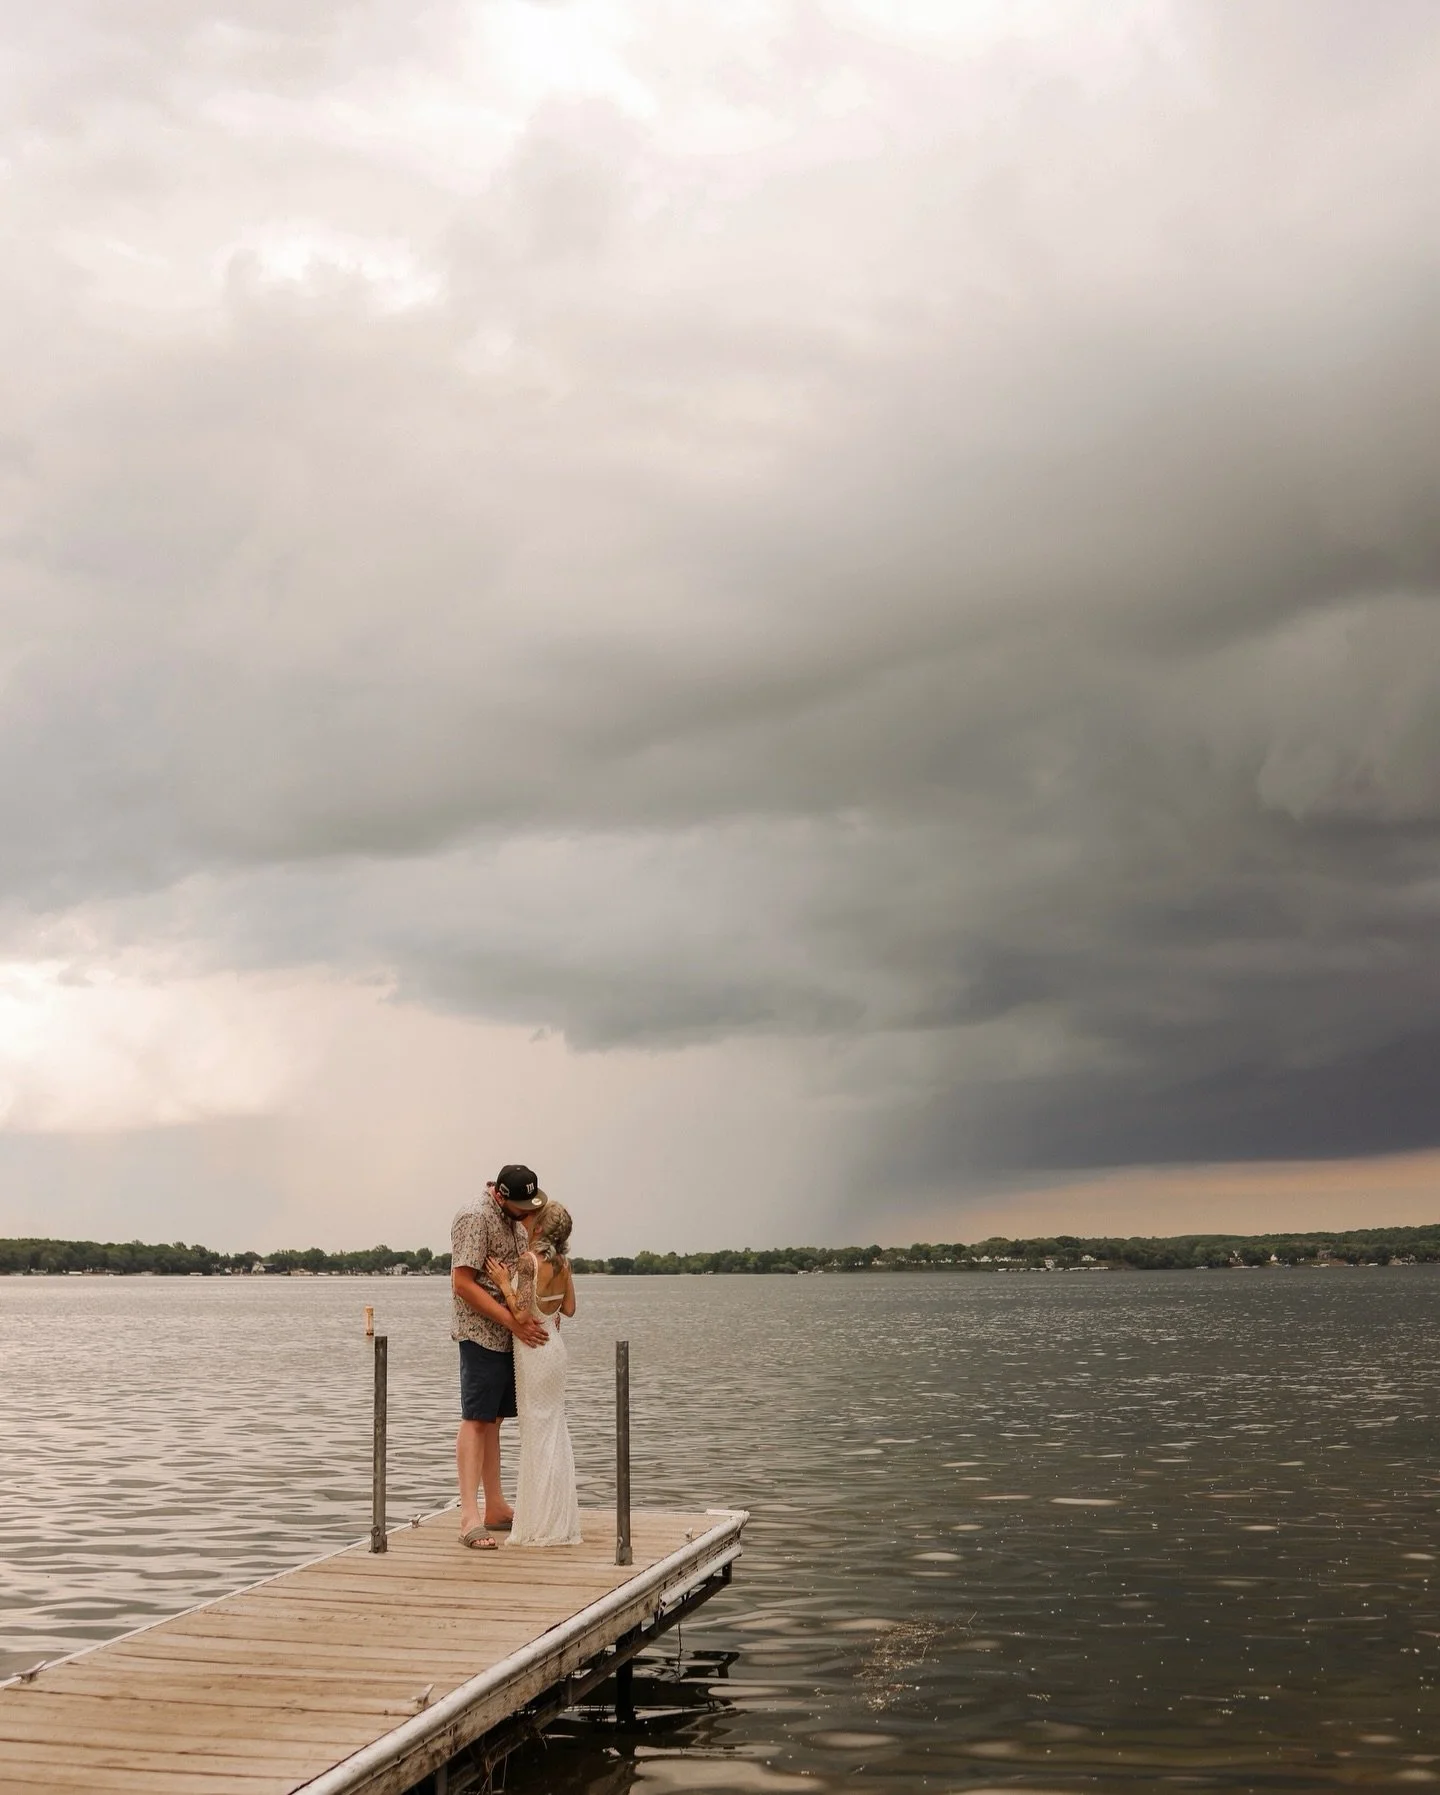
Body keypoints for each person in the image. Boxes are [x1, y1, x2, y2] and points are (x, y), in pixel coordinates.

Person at [450, 1163, 549, 1550]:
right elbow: (462, 1283)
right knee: (475, 1418)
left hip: (509, 1335)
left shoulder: (515, 1216)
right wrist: (513, 1321)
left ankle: (495, 1507)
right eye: (521, 1205)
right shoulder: (474, 1217)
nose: (526, 1212)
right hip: (479, 1333)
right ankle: (468, 1516)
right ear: (500, 1195)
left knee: (494, 1419)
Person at [486, 1199, 582, 1546]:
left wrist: (502, 1282)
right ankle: (556, 1518)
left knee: (537, 1433)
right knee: (553, 1430)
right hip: (555, 1348)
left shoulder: (529, 1262)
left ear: (539, 1228)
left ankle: (540, 1522)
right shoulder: (563, 1264)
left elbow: (523, 1315)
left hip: (534, 1351)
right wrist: (548, 1309)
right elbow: (568, 1309)